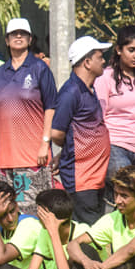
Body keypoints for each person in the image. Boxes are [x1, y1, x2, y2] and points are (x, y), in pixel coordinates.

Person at [0, 18, 57, 215]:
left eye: (23, 33)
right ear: (6, 40)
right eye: (14, 34)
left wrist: (44, 143)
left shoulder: (39, 69)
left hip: (33, 159)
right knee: (10, 215)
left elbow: (50, 108)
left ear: (30, 39)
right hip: (7, 162)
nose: (18, 36)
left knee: (35, 215)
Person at [51, 35, 112, 224]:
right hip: (82, 178)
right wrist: (70, 149)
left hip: (95, 176)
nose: (104, 60)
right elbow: (56, 133)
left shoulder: (88, 89)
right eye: (99, 57)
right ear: (87, 62)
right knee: (87, 233)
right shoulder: (71, 92)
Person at [93, 25, 135, 201]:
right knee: (127, 196)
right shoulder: (106, 78)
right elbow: (99, 117)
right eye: (131, 50)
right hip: (117, 145)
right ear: (118, 50)